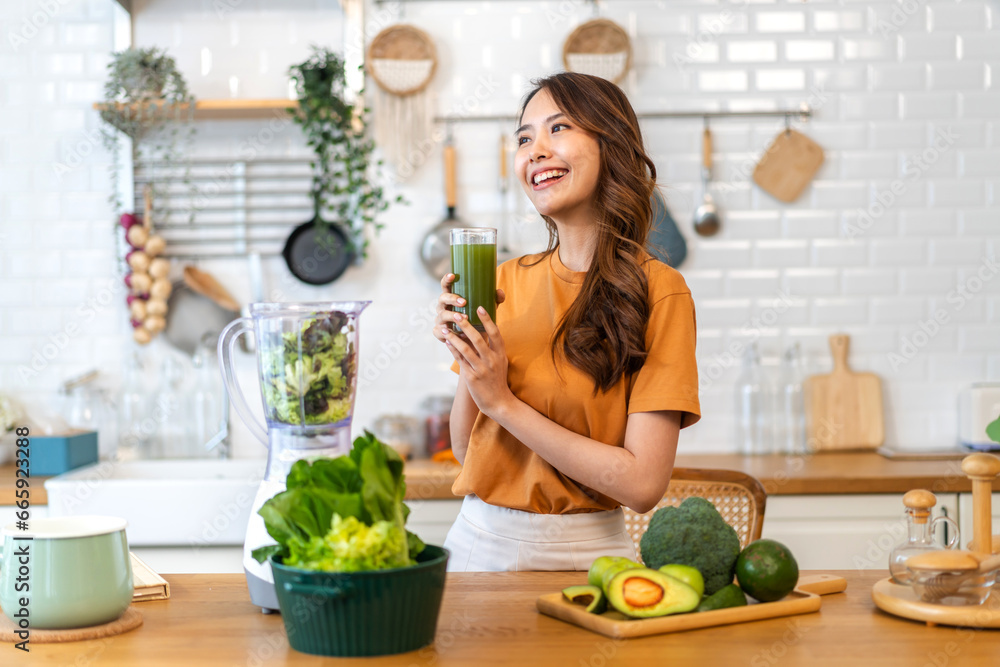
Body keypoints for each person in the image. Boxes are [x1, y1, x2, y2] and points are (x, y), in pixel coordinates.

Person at [431, 72, 700, 572]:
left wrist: (503, 403)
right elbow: (470, 449)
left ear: (610, 144)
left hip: (589, 556)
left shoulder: (660, 290)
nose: (535, 150)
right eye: (525, 138)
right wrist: (470, 359)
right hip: (476, 545)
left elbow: (642, 486)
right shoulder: (503, 279)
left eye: (558, 129)